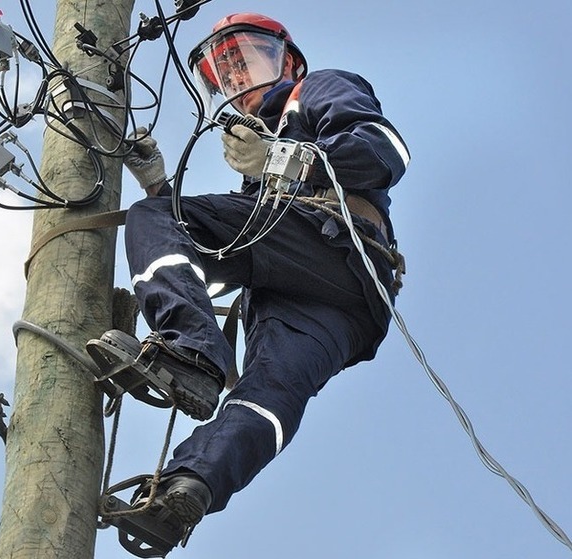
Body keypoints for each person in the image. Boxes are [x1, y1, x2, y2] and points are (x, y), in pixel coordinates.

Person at [112, 11, 410, 553]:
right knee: (268, 393)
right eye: (224, 74)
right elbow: (213, 244)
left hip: (336, 247)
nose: (237, 80)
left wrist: (282, 156)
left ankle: (193, 353)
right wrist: (156, 179)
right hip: (338, 301)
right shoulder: (257, 172)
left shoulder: (319, 89)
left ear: (287, 60)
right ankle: (188, 491)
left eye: (245, 60)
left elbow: (383, 152)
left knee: (152, 221)